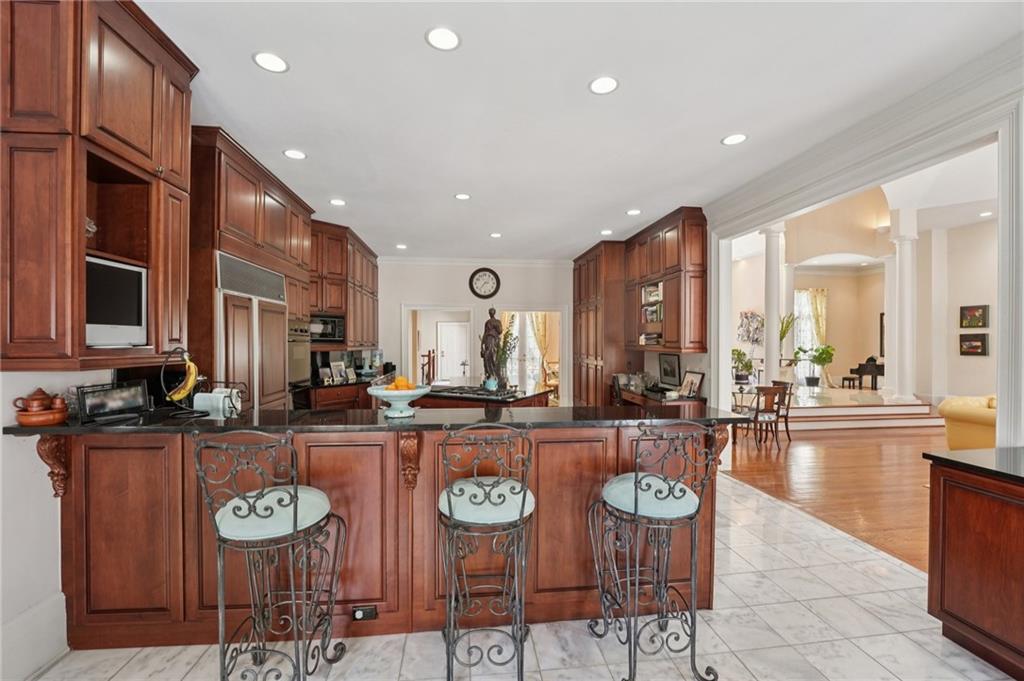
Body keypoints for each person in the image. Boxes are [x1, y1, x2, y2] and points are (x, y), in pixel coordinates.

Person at [481, 307, 502, 381]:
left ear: (494, 313)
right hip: (488, 340)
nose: (490, 313)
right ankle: (489, 375)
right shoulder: (487, 322)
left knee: (494, 357)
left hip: (494, 340)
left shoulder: (497, 322)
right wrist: (481, 346)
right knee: (487, 357)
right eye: (490, 312)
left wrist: (496, 326)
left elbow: (500, 331)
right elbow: (485, 333)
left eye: (491, 312)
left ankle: (495, 375)